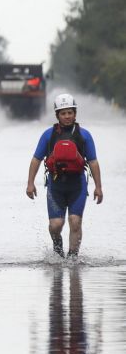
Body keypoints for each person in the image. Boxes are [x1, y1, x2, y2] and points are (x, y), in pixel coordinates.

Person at [26, 93, 103, 258]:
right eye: (63, 113)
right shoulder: (48, 135)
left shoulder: (85, 135)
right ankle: (57, 246)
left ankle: (73, 258)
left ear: (75, 113)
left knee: (75, 222)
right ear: (57, 115)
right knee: (56, 225)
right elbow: (36, 160)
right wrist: (30, 183)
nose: (67, 116)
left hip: (77, 186)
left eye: (70, 112)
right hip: (56, 187)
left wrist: (98, 187)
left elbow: (94, 162)